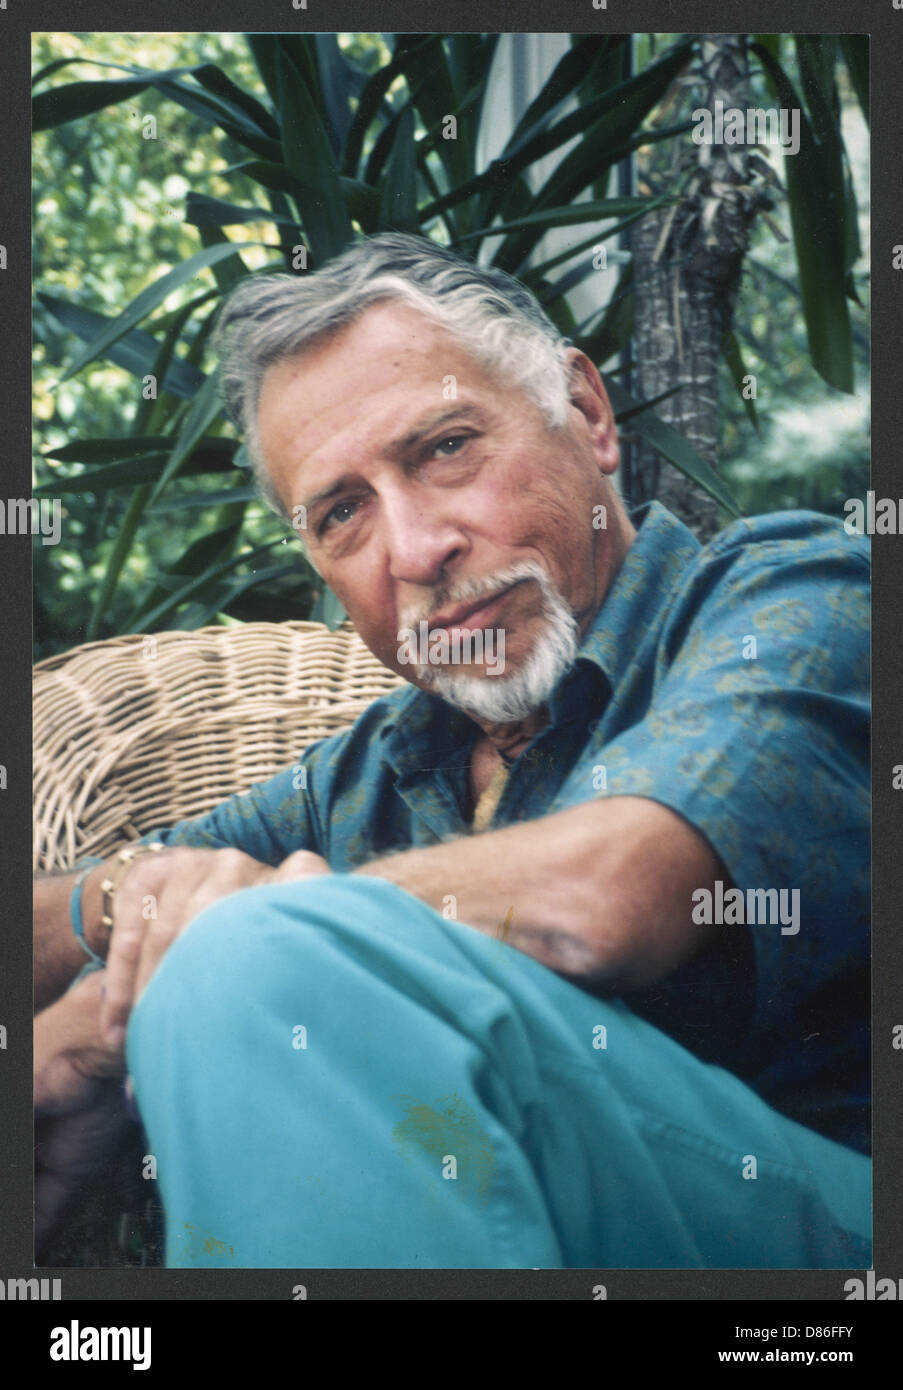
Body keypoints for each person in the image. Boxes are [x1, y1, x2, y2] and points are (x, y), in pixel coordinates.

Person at [34, 233, 870, 1270]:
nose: (417, 547)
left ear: (589, 413)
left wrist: (246, 935)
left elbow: (607, 895)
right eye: (343, 512)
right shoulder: (374, 769)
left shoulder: (794, 598)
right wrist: (124, 914)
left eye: (444, 448)